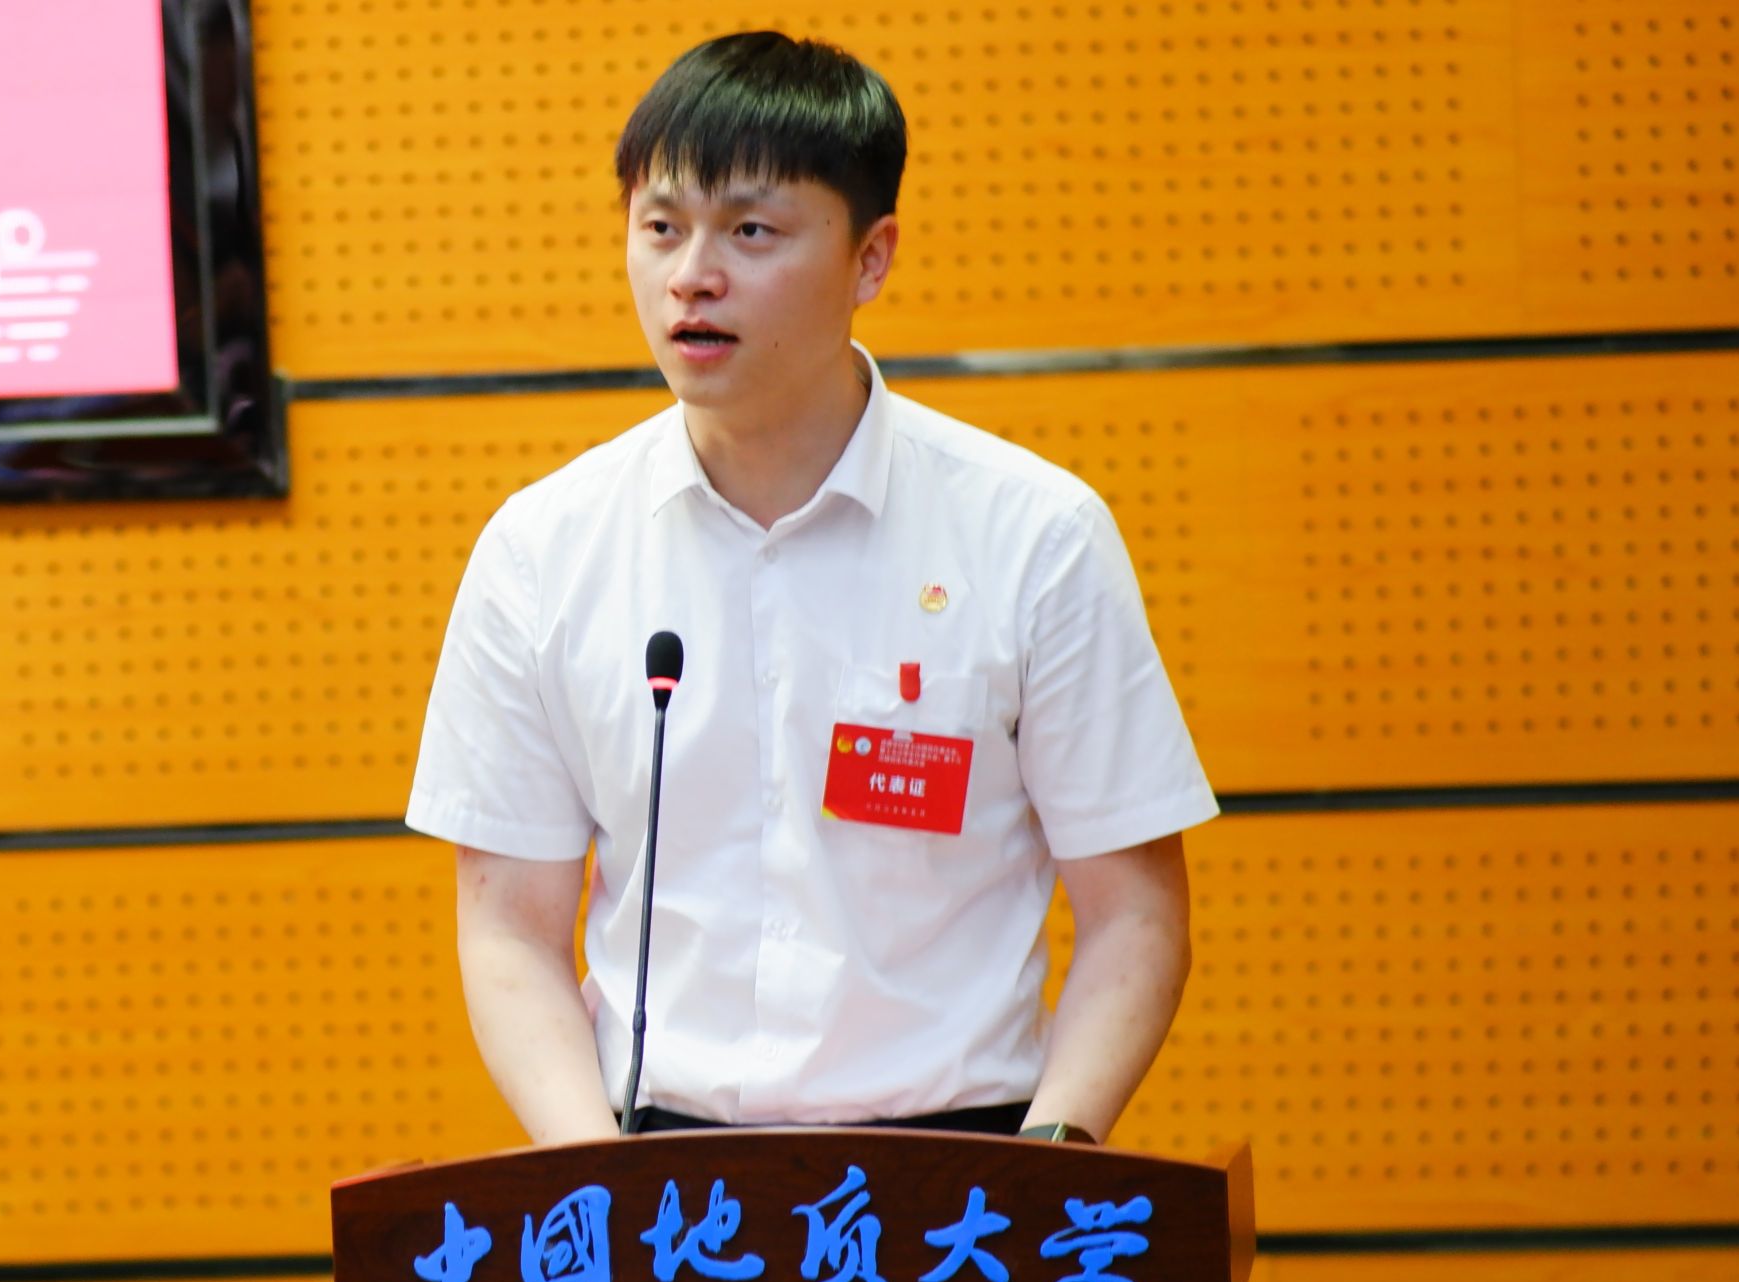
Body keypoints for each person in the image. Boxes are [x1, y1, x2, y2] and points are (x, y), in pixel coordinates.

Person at [406, 31, 1218, 1148]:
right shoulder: (541, 553)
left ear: (869, 259)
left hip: (964, 1171)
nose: (692, 274)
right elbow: (508, 932)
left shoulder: (1033, 536)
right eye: (661, 227)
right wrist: (593, 1184)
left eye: (750, 230)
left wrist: (1048, 1172)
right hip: (658, 1179)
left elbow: (1136, 916)